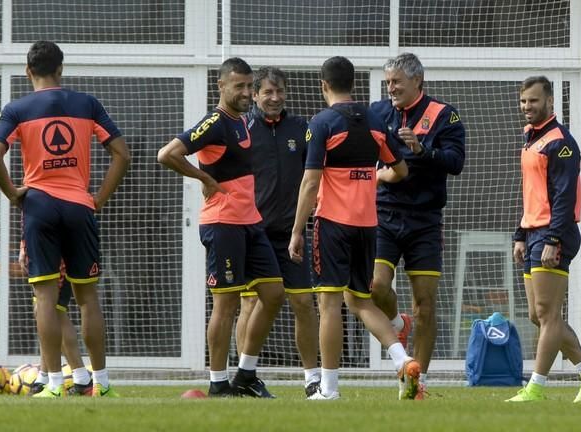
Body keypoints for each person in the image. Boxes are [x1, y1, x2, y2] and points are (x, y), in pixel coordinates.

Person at [0, 40, 130, 398]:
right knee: (87, 299)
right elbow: (122, 154)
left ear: (27, 71)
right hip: (80, 206)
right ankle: (102, 383)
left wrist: (14, 193)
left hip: (39, 205)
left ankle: (52, 384)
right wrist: (98, 199)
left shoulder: (16, 108)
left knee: (46, 299)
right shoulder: (87, 103)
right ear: (61, 69)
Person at [288, 56, 420, 400]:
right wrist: (372, 177)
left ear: (324, 86)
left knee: (329, 306)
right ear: (354, 85)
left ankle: (328, 389)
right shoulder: (375, 120)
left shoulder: (322, 123)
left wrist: (297, 230)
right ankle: (402, 359)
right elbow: (401, 169)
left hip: (333, 224)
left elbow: (310, 181)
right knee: (360, 301)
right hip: (367, 226)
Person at [157, 57, 286, 398]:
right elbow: (167, 154)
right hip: (224, 223)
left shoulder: (243, 121)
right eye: (239, 86)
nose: (246, 92)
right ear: (222, 86)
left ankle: (245, 374)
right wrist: (203, 177)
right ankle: (217, 383)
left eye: (248, 86)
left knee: (273, 294)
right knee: (226, 305)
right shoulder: (214, 122)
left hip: (251, 222)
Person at [369, 52, 465, 396]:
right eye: (388, 81)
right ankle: (398, 324)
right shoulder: (378, 113)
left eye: (397, 81)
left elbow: (456, 163)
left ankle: (417, 381)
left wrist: (423, 150)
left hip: (425, 220)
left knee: (425, 303)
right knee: (375, 287)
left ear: (417, 82)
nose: (390, 87)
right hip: (384, 214)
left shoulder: (444, 114)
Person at [506, 76, 581, 402]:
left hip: (554, 233)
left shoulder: (561, 142)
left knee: (548, 315)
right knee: (538, 315)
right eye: (523, 101)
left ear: (550, 102)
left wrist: (553, 239)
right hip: (533, 233)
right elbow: (532, 194)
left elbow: (563, 197)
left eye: (533, 100)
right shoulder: (530, 138)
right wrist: (520, 235)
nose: (527, 106)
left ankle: (536, 388)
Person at [234, 66, 320, 397]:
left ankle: (312, 378)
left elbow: (316, 175)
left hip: (292, 234)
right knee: (250, 304)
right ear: (254, 94)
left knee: (303, 304)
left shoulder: (302, 128)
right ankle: (246, 377)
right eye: (267, 92)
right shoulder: (243, 128)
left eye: (279, 91)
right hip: (252, 233)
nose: (274, 97)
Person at [18, 243, 92, 396]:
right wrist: (24, 246)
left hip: (55, 249)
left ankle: (81, 379)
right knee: (42, 312)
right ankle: (44, 378)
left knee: (54, 312)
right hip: (41, 248)